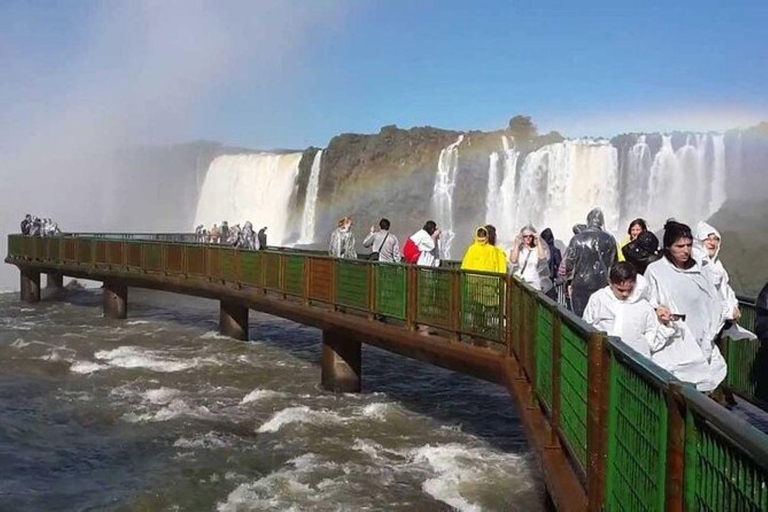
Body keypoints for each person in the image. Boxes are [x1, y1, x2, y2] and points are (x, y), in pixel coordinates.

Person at [645, 220, 728, 392]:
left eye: (689, 245)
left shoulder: (701, 270)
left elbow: (714, 300)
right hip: (673, 338)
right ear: (668, 247)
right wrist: (657, 310)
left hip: (701, 335)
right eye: (679, 246)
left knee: (702, 384)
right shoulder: (655, 271)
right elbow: (646, 301)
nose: (685, 250)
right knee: (676, 386)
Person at [583, 262, 674, 359]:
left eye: (629, 290)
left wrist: (665, 326)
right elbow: (587, 325)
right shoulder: (598, 299)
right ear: (610, 283)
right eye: (620, 290)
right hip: (603, 358)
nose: (625, 294)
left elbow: (651, 341)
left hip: (634, 362)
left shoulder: (644, 306)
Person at [692, 221, 756, 341]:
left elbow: (726, 291)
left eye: (716, 239)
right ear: (698, 240)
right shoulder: (696, 265)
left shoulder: (717, 265)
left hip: (717, 329)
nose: (712, 242)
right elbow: (706, 298)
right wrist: (729, 311)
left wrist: (733, 306)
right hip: (701, 330)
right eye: (708, 238)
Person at [562, 208, 618, 316]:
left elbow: (570, 262)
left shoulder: (577, 239)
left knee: (579, 316)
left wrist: (568, 280)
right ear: (601, 222)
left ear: (588, 221)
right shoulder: (610, 239)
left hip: (580, 284)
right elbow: (613, 263)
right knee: (598, 316)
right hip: (602, 284)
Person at [510, 225, 552, 294]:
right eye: (525, 236)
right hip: (520, 281)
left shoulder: (538, 249)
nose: (528, 238)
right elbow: (513, 260)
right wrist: (516, 244)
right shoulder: (519, 250)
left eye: (530, 236)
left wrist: (538, 241)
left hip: (533, 283)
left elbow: (542, 259)